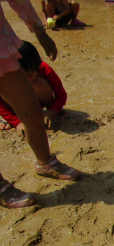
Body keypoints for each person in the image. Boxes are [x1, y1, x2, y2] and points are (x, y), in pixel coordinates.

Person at [0, 0, 81, 209]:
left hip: (1, 45)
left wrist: (39, 30)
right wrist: (14, 121)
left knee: (33, 115)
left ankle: (45, 162)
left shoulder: (42, 69)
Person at [0, 41, 69, 136]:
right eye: (20, 77)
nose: (24, 81)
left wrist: (53, 111)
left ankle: (53, 108)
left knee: (38, 83)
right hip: (15, 104)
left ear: (37, 66)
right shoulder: (4, 72)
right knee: (4, 90)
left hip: (38, 101)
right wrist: (16, 122)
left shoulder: (44, 68)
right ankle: (13, 115)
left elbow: (61, 94)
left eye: (29, 76)